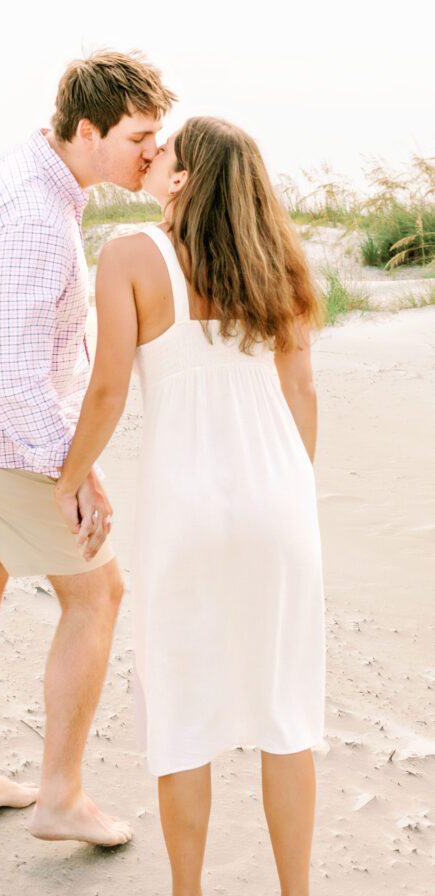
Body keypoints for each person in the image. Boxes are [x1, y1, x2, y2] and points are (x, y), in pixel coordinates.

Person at [0, 51, 176, 846]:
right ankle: (59, 797)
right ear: (89, 131)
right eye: (140, 136)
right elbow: (17, 379)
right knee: (98, 595)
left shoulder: (31, 172)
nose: (153, 151)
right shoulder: (34, 217)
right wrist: (75, 473)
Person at [55, 116, 325, 892]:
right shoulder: (278, 261)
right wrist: (282, 491)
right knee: (285, 718)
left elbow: (107, 389)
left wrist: (71, 477)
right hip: (281, 506)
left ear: (181, 178)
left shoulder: (131, 255)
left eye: (164, 146)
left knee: (184, 720)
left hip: (186, 511)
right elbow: (300, 390)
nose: (152, 152)